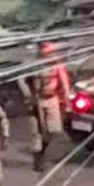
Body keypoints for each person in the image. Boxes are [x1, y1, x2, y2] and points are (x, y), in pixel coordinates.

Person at [30, 41, 71, 172]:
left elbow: (64, 81)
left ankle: (45, 149)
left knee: (55, 131)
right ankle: (39, 156)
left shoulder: (57, 64)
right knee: (41, 132)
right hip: (39, 100)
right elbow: (27, 82)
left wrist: (66, 98)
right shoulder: (35, 65)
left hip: (52, 98)